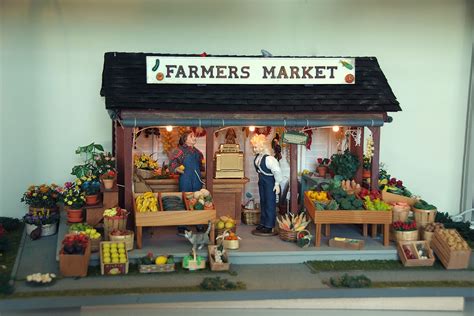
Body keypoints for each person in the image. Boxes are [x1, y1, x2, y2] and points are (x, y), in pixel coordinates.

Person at [169, 131, 205, 234]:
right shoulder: (179, 151)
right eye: (191, 136)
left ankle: (199, 224)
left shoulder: (198, 153)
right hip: (185, 179)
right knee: (184, 201)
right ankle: (182, 226)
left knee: (198, 201)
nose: (194, 137)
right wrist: (177, 169)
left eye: (194, 136)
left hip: (197, 179)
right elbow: (172, 163)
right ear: (185, 139)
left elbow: (201, 166)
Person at [250, 134, 283, 234]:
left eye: (256, 147)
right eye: (254, 147)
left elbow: (277, 171)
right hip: (262, 182)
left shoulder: (269, 159)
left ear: (261, 146)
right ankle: (263, 222)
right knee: (263, 202)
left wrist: (277, 184)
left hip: (270, 182)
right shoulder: (258, 158)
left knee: (270, 203)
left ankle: (269, 224)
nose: (254, 149)